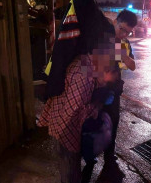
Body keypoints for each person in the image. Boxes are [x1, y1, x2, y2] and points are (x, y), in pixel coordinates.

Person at [37, 38, 119, 183]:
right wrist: (96, 107)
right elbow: (75, 110)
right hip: (65, 131)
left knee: (70, 171)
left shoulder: (86, 63)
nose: (105, 79)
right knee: (70, 174)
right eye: (107, 67)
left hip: (64, 127)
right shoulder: (84, 74)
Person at [103, 10, 137, 167]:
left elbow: (133, 66)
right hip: (94, 90)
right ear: (115, 21)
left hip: (113, 92)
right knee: (91, 122)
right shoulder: (101, 36)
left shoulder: (124, 44)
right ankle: (89, 157)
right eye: (122, 29)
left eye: (128, 32)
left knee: (113, 122)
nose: (124, 34)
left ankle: (109, 156)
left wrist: (122, 54)